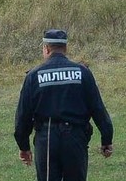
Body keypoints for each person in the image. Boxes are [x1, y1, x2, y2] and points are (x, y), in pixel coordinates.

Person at [14, 29, 114, 181]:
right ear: (65, 49)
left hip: (47, 139)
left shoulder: (34, 76)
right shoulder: (83, 72)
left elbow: (23, 115)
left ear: (46, 48)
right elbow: (97, 108)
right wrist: (106, 140)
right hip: (75, 138)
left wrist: (24, 146)